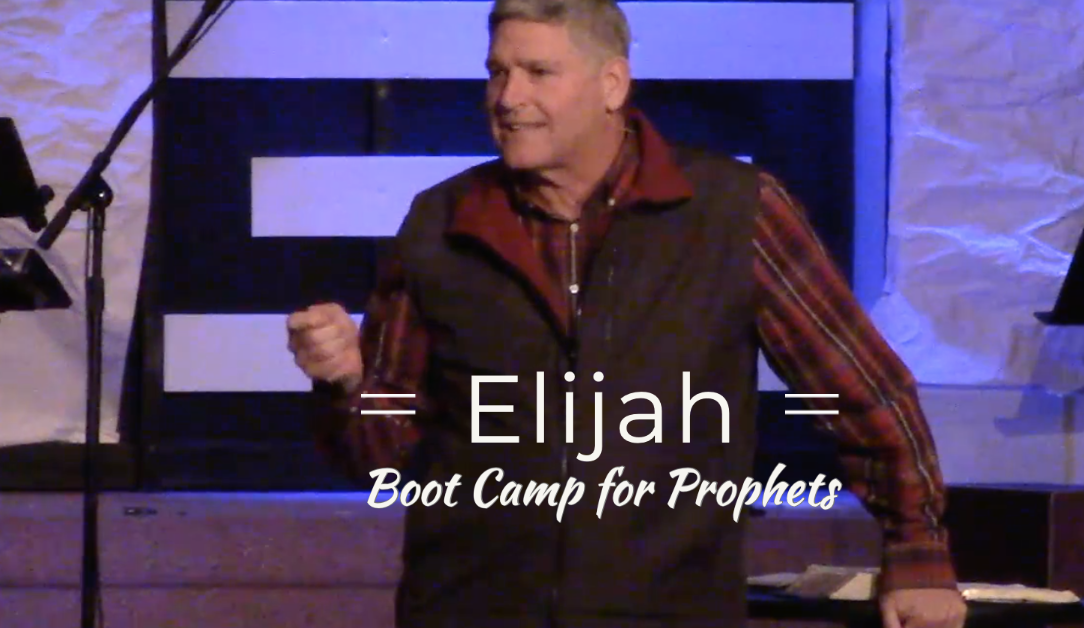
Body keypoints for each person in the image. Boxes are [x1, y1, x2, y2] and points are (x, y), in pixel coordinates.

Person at [286, 1, 967, 627]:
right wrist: (346, 383)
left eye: (538, 72)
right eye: (497, 72)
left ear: (612, 84)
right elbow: (379, 454)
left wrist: (919, 554)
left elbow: (860, 388)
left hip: (668, 609)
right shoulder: (440, 221)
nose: (508, 97)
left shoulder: (735, 211)